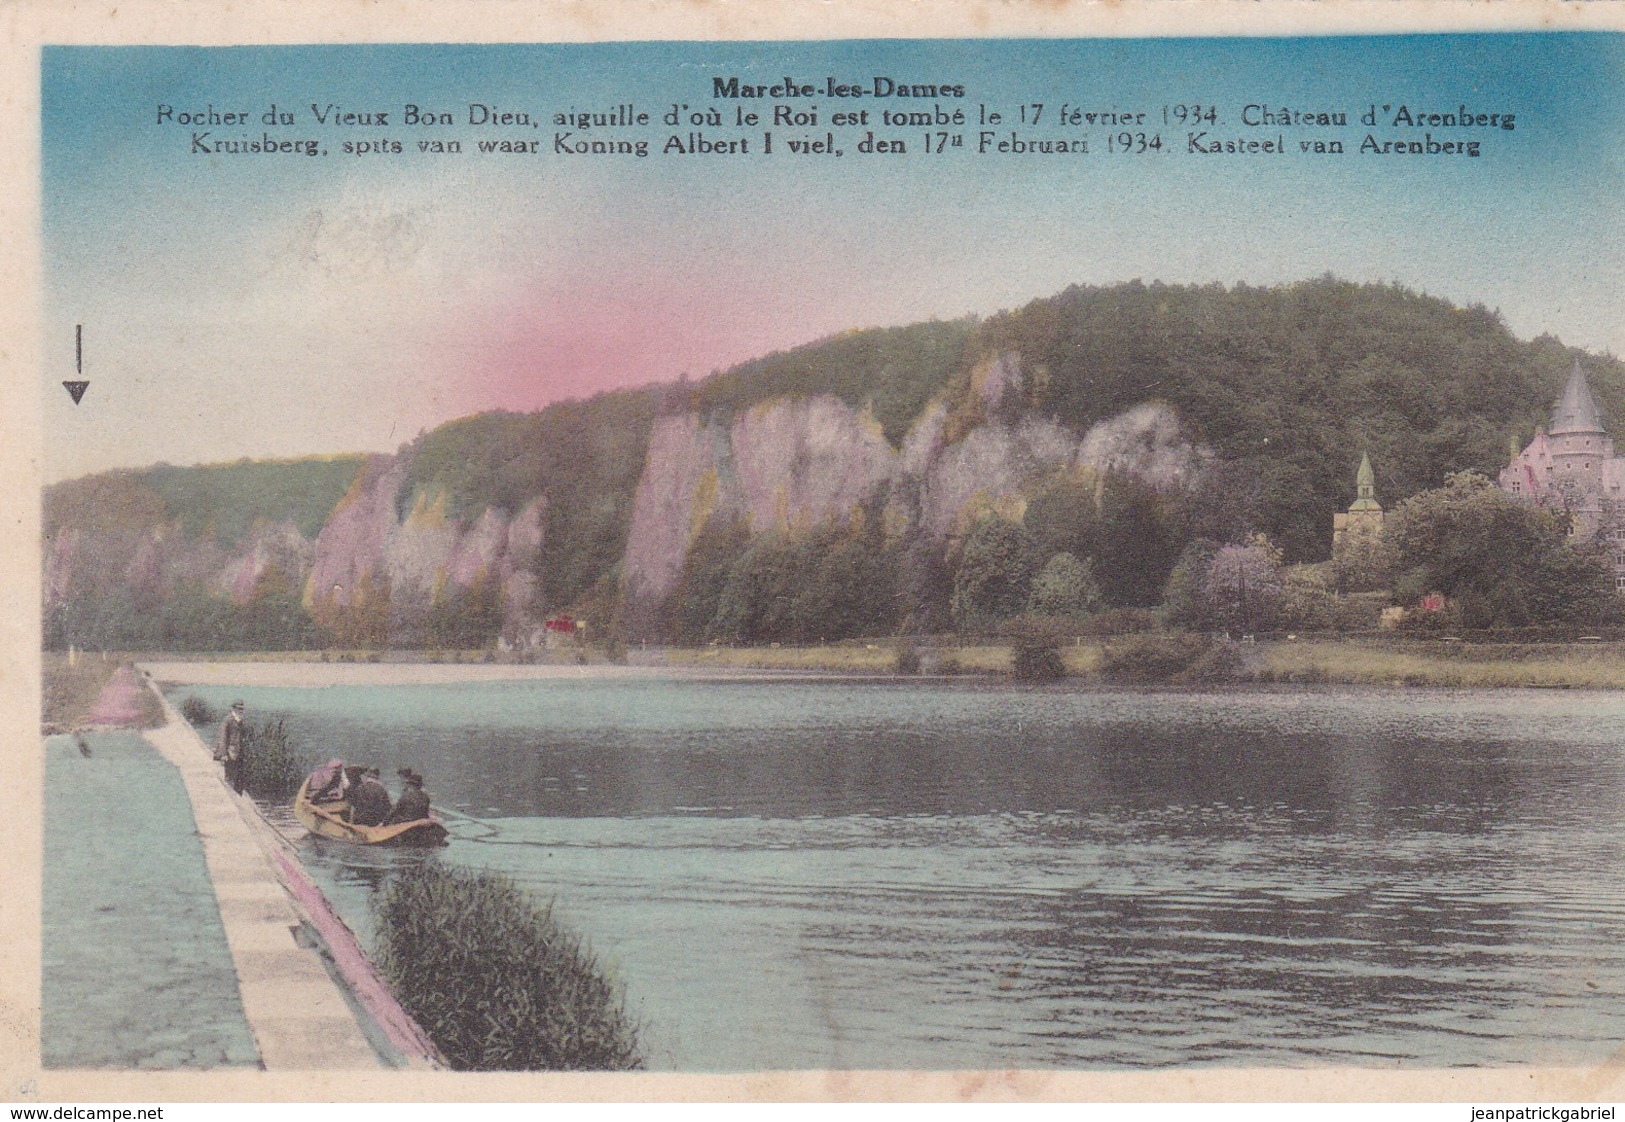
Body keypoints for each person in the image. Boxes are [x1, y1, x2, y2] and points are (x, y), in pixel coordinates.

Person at [214, 700, 248, 794]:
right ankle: (230, 794)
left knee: (238, 777)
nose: (241, 711)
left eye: (242, 709)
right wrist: (223, 754)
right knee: (229, 775)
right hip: (230, 753)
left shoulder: (240, 721)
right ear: (234, 709)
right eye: (239, 708)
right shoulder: (228, 720)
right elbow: (223, 738)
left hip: (239, 753)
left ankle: (237, 795)